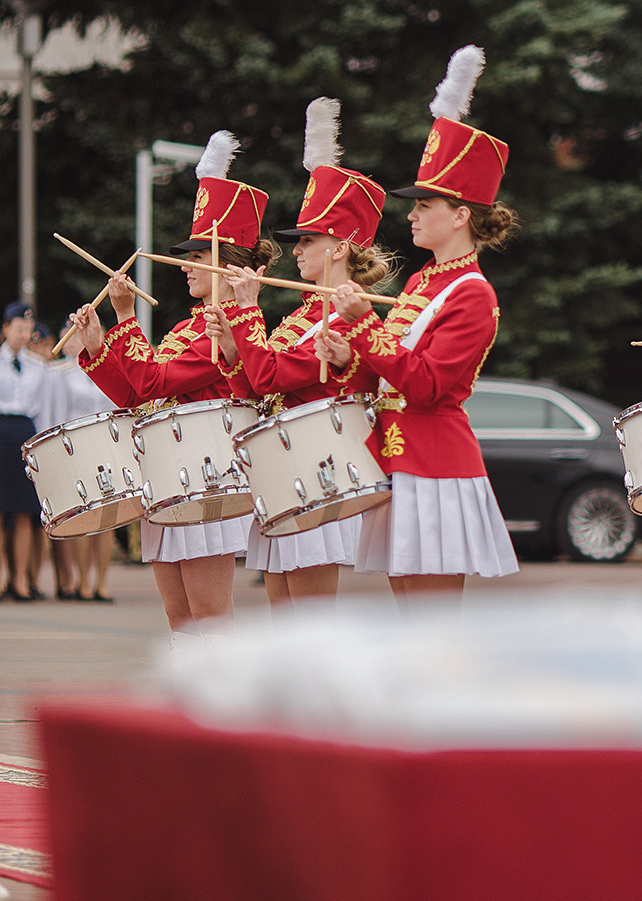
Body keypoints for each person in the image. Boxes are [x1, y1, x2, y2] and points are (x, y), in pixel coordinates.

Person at [316, 48, 519, 602]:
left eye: (424, 205)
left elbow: (427, 384)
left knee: (430, 618)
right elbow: (384, 369)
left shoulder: (472, 292)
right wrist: (344, 358)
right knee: (409, 611)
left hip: (434, 457)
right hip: (397, 449)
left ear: (459, 216)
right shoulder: (422, 282)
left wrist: (362, 329)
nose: (410, 214)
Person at [69, 134, 266, 629]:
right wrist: (97, 343)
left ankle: (218, 706)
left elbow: (153, 380)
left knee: (209, 616)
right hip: (169, 473)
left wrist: (124, 315)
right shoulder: (187, 325)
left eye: (198, 257)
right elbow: (135, 394)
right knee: (180, 617)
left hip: (204, 475)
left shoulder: (223, 328)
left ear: (230, 264)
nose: (184, 265)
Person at [206, 99, 393, 610]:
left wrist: (246, 313)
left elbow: (268, 378)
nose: (296, 250)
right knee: (284, 620)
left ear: (338, 247)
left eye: (308, 239)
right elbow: (249, 390)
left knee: (308, 625)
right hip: (282, 463)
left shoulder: (341, 314)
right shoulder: (305, 313)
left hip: (317, 465)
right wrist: (230, 346)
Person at [1, 302, 53, 600]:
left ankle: (21, 580)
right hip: (0, 432)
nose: (24, 334)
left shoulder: (39, 367)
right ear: (6, 329)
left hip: (24, 434)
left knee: (23, 513)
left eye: (28, 329)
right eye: (18, 328)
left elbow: (44, 412)